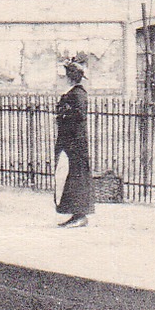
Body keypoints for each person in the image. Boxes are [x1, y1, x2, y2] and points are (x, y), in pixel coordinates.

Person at [54, 58, 95, 228]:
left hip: (75, 144)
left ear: (70, 77)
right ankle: (74, 214)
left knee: (76, 178)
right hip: (68, 143)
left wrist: (63, 116)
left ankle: (80, 215)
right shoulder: (72, 93)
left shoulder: (78, 95)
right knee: (67, 178)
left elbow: (78, 118)